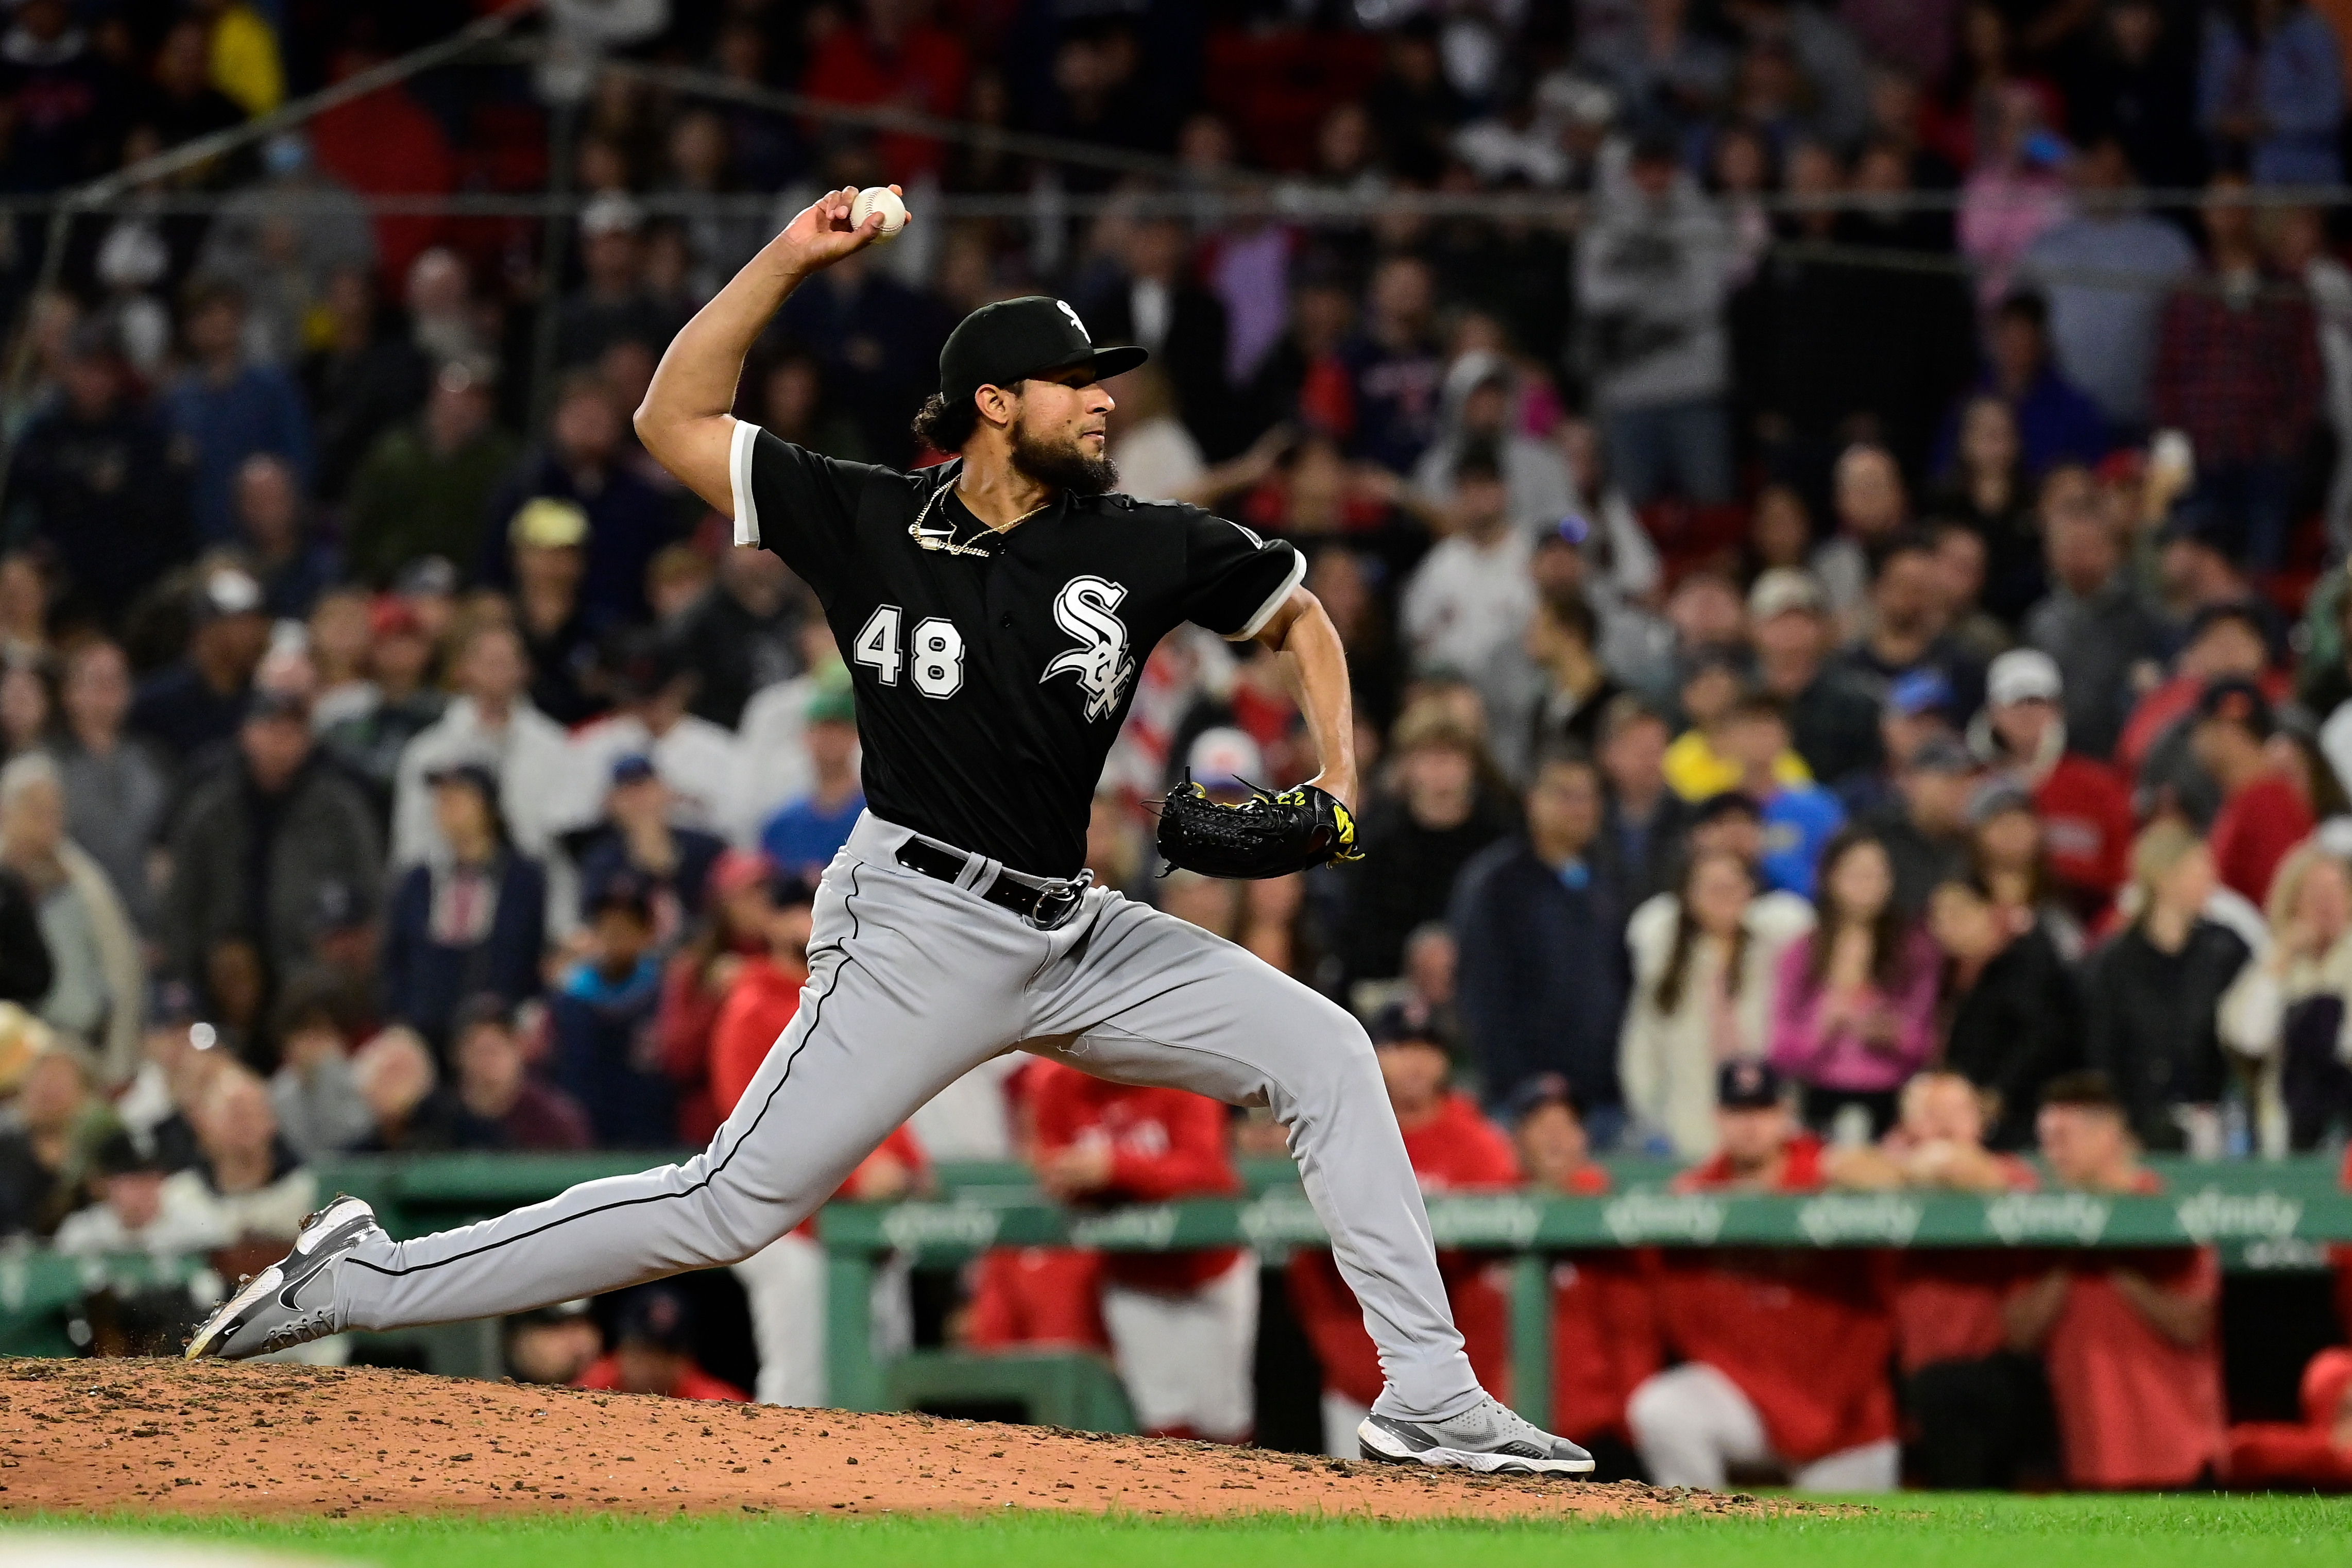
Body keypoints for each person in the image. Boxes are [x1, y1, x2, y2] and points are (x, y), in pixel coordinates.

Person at [186, 191, 1597, 1475]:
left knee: (1325, 1049)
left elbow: (1293, 611)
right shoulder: (865, 518)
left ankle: (1426, 1390)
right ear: (994, 401)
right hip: (913, 922)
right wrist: (792, 259)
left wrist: (1337, 783)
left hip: (1074, 924)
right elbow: (667, 422)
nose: (1104, 401)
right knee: (726, 1202)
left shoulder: (1143, 540)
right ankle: (360, 1279)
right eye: (1075, 381)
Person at [1627, 1060, 1900, 1492]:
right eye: (1738, 1112)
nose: (1750, 1125)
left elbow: (1894, 1182)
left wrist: (1857, 1171)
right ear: (1718, 1118)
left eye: (1763, 1110)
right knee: (1661, 1409)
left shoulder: (1830, 1174)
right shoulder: (1694, 1194)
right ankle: (1697, 1536)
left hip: (1845, 1417)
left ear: (1784, 1115)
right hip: (1747, 1403)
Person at [1289, 1007, 1521, 1458]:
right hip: (1357, 1366)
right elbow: (1308, 1263)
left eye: (1427, 1049)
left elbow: (1498, 1270)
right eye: (1398, 1049)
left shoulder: (1479, 1144)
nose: (1414, 1063)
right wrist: (1342, 1357)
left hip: (1464, 1376)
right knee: (1357, 1508)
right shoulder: (1339, 1132)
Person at [2009, 1071, 2228, 1490]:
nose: (2052, 1153)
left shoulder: (2168, 1209)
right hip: (2088, 1458)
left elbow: (2191, 1324)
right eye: (2046, 1139)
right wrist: (2071, 1251)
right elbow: (2019, 1333)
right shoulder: (2048, 1226)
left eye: (2063, 1138)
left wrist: (2112, 1251)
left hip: (2178, 1454)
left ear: (2107, 1134)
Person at [1027, 1057, 1256, 1443]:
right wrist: (1069, 1179)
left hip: (1208, 1269)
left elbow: (1209, 1173)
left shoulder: (1183, 1074)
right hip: (1130, 1270)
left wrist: (1116, 1169)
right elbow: (1052, 1164)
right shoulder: (1060, 1085)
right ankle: (1178, 1503)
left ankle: (1240, 1502)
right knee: (1162, 1415)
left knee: (1221, 1416)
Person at [163, 689, 383, 1045]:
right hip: (228, 978)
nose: (281, 741)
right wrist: (187, 977)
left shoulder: (340, 809)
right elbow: (183, 901)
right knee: (230, 971)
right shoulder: (211, 809)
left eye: (293, 731)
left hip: (313, 970)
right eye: (270, 728)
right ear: (246, 733)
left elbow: (372, 894)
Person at [1869, 1071, 2054, 1490]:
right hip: (1907, 1373)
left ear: (1979, 1122)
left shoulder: (2009, 1171)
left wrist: (1929, 1164)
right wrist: (1909, 1167)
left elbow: (1978, 1175)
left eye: (1958, 1112)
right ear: (1907, 1126)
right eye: (1932, 1113)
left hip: (2001, 1367)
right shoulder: (1884, 1174)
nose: (1946, 1125)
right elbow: (1844, 1169)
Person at [1450, 749, 1628, 1123]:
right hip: (1523, 1103)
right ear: (1533, 800)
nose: (1580, 808)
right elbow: (1482, 994)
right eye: (1566, 795)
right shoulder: (1495, 884)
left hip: (1602, 1099)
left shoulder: (1607, 881)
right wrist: (1518, 1086)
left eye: (1589, 796)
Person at [1507, 1075, 1661, 1481]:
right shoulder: (1488, 1212)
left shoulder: (1610, 1221)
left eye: (1569, 1126)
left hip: (1596, 1440)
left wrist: (1632, 1434)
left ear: (1585, 1139)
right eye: (1543, 1127)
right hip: (1500, 1439)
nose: (1557, 1139)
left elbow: (1636, 1336)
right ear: (1519, 1139)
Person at [1621, 846, 1816, 1157]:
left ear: (1750, 891)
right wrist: (1653, 1123)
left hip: (1769, 1137)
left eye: (1733, 886)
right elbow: (1639, 1054)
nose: (1724, 896)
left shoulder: (1776, 957)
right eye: (1712, 887)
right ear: (1688, 895)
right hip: (1687, 1135)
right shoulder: (1665, 966)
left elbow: (1795, 1042)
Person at [2081, 822, 2255, 1153]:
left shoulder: (2227, 950)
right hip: (2137, 1130)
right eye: (2199, 870)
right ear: (2164, 877)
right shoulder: (2113, 963)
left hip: (2217, 1129)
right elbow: (2101, 1053)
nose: (2211, 881)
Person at [1769, 828, 1940, 1139]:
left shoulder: (1914, 950)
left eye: (1878, 875)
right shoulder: (1801, 953)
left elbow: (1927, 1039)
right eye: (1858, 875)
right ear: (1831, 878)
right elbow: (1782, 1050)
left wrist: (1894, 1035)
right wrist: (1824, 1026)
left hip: (1893, 1098)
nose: (1869, 886)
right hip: (1819, 1095)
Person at [1338, 705, 1515, 991]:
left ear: (1472, 765)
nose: (1441, 770)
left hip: (1483, 984)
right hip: (1393, 988)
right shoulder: (1378, 841)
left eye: (1452, 756)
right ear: (1407, 766)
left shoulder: (1500, 838)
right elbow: (1358, 934)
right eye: (1428, 757)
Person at [380, 763, 548, 1050]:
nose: (446, 807)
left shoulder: (522, 879)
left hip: (497, 1029)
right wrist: (400, 1019)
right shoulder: (418, 881)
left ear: (488, 808)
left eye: (458, 797)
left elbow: (534, 952)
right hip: (426, 1030)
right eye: (441, 799)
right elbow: (397, 957)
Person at [0, 753, 142, 1081]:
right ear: (7, 813)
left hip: (83, 1051)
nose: (49, 821)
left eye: (55, 811)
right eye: (36, 810)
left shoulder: (84, 880)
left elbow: (122, 968)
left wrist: (119, 1062)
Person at [1977, 648, 2134, 916]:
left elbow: (2124, 880)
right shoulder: (1974, 787)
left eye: (2037, 703)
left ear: (2057, 711)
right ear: (1993, 712)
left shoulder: (2100, 787)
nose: (2027, 715)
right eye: (2016, 704)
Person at [1929, 873, 2079, 1150]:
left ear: (1989, 910)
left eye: (1959, 912)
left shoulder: (2027, 960)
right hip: (1973, 1120)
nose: (1947, 925)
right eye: (1938, 917)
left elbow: (2045, 1035)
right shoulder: (1953, 975)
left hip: (2029, 1121)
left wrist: (2000, 1093)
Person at [2220, 842, 2352, 1150]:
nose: (2326, 905)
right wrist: (2281, 961)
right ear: (2293, 902)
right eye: (2316, 895)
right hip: (2285, 1123)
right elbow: (2248, 1039)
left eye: (2335, 893)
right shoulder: (2273, 959)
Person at [49, 639, 171, 936]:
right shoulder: (49, 765)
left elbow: (171, 838)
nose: (109, 691)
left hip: (149, 926)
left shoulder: (155, 758)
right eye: (98, 681)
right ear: (70, 692)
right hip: (75, 924)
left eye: (117, 680)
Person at [2191, 678, 2315, 907]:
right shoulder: (2247, 798)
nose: (2197, 743)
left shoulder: (2267, 801)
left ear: (2227, 736)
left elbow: (2289, 896)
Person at [448, 997, 590, 1153]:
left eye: (497, 1049)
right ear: (457, 1054)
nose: (489, 1061)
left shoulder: (557, 1122)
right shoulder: (441, 1120)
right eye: (480, 1050)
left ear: (520, 1048)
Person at [758, 678, 864, 882]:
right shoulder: (783, 823)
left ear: (856, 736)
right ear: (806, 737)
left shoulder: (874, 815)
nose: (831, 739)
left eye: (840, 730)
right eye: (823, 730)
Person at [573, 1285, 748, 1403]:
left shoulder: (718, 1403)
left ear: (688, 1358)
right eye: (644, 1350)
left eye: (667, 1353)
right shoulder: (590, 1388)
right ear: (622, 1349)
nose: (653, 1366)